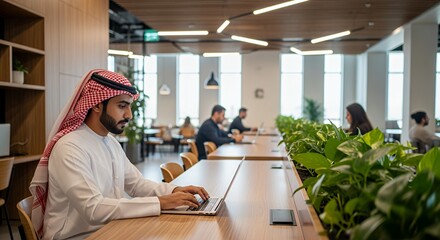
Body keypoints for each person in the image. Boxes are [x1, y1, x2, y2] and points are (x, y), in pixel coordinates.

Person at [29, 70, 209, 240]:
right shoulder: (69, 147)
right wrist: (161, 202)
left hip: (109, 229)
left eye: (129, 106)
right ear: (97, 105)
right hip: (76, 236)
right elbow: (93, 210)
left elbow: (136, 184)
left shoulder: (110, 141)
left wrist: (175, 191)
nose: (129, 115)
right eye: (122, 106)